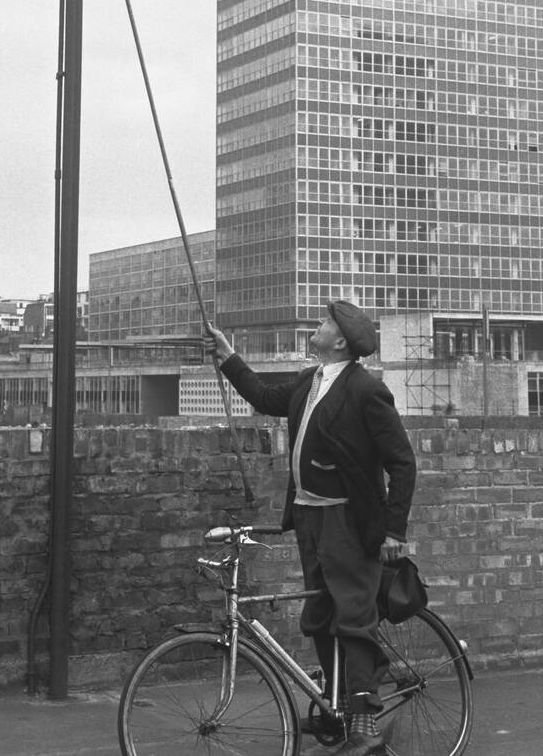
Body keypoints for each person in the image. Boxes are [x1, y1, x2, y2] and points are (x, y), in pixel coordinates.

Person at [207, 300, 416, 756]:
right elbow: (263, 398)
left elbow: (402, 462)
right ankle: (340, 707)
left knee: (354, 615)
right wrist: (228, 358)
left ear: (340, 339)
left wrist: (393, 532)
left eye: (324, 323)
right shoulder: (310, 381)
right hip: (308, 516)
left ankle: (365, 727)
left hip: (346, 518)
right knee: (320, 615)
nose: (317, 328)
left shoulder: (365, 390)